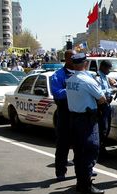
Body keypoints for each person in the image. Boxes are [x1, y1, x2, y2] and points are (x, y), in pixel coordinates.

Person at [66, 53, 106, 194]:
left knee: (79, 152)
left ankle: (80, 182)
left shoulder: (70, 80)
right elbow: (101, 99)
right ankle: (86, 185)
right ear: (85, 64)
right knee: (90, 150)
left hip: (74, 119)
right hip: (87, 120)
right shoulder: (87, 81)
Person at [50, 50, 76, 181]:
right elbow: (57, 93)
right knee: (63, 144)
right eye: (72, 57)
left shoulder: (81, 73)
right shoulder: (57, 75)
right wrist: (73, 88)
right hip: (65, 113)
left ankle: (83, 168)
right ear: (66, 59)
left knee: (81, 143)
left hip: (79, 113)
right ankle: (61, 171)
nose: (74, 59)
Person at [97, 60, 115, 158]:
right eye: (108, 69)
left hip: (107, 105)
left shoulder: (105, 77)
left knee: (106, 128)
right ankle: (99, 151)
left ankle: (102, 148)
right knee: (102, 129)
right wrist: (112, 90)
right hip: (101, 106)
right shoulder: (97, 77)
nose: (109, 71)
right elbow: (98, 91)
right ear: (103, 67)